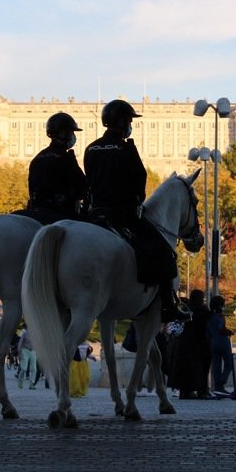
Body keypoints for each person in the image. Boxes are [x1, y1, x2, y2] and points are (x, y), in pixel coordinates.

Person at [83, 99, 187, 323]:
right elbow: (139, 178)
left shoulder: (90, 148)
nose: (130, 124)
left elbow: (88, 179)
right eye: (129, 120)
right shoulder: (126, 148)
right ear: (122, 122)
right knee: (164, 251)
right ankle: (168, 304)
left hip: (94, 213)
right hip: (121, 213)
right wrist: (137, 201)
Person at [26, 112, 88, 220]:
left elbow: (31, 188)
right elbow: (81, 188)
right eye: (72, 132)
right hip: (61, 213)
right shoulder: (66, 157)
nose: (73, 136)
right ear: (64, 133)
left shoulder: (38, 157)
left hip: (36, 209)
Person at [170, 290, 212, 399]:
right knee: (202, 367)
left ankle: (185, 391)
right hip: (200, 343)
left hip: (184, 343)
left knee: (185, 368)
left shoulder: (186, 309)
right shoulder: (203, 310)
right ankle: (202, 390)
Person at [207, 295, 234, 393]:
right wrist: (229, 332)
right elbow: (221, 328)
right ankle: (221, 383)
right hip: (222, 342)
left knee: (216, 365)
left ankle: (217, 388)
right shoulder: (220, 316)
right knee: (228, 364)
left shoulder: (209, 316)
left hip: (213, 342)